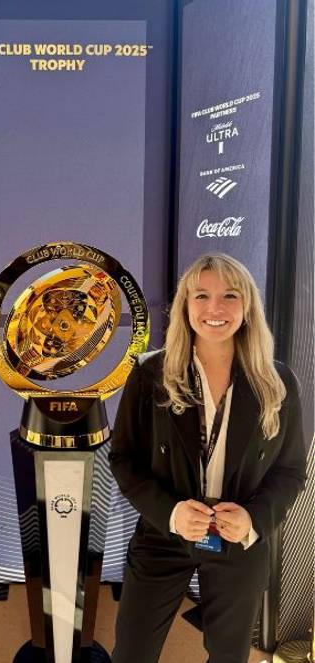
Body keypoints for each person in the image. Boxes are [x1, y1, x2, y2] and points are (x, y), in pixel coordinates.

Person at [109, 253, 306, 662]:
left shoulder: (278, 381)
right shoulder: (150, 375)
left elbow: (289, 473)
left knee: (228, 655)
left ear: (247, 305)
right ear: (185, 304)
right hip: (164, 536)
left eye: (229, 295)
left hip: (240, 539)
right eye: (202, 295)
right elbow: (125, 460)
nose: (215, 309)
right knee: (132, 652)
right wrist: (170, 513)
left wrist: (254, 520)